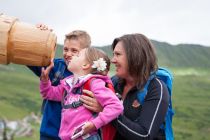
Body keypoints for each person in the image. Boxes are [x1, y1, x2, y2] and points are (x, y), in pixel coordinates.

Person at [80, 33, 170, 140]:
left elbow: (144, 135)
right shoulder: (114, 82)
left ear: (135, 56)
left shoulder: (156, 88)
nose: (113, 60)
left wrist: (107, 111)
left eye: (118, 54)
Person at [28, 26, 100, 140]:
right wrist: (38, 35)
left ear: (86, 53)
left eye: (74, 50)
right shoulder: (56, 66)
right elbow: (30, 57)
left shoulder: (94, 78)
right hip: (49, 133)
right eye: (65, 49)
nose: (68, 54)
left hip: (76, 136)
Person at [39, 47, 123, 140]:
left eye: (77, 55)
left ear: (85, 65)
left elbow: (116, 106)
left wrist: (94, 124)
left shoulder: (94, 83)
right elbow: (49, 94)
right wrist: (45, 81)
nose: (72, 56)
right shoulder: (68, 85)